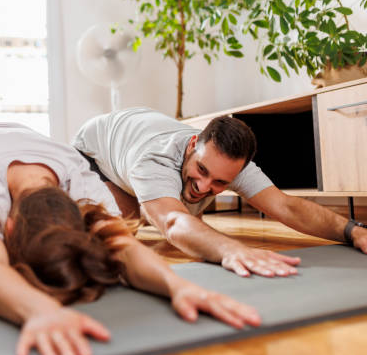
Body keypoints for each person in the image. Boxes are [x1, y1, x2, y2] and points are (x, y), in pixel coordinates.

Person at [0, 122, 261, 355]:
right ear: (6, 230)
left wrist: (177, 285)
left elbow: (125, 248)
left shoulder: (84, 184)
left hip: (24, 141)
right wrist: (38, 310)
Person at [73, 107, 367, 277]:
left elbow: (285, 206)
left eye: (220, 183)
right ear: (192, 146)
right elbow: (173, 223)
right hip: (94, 152)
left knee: (172, 209)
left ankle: (156, 200)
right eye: (201, 170)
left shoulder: (234, 164)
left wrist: (353, 231)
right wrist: (231, 248)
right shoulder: (154, 159)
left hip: (137, 135)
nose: (203, 187)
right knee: (121, 228)